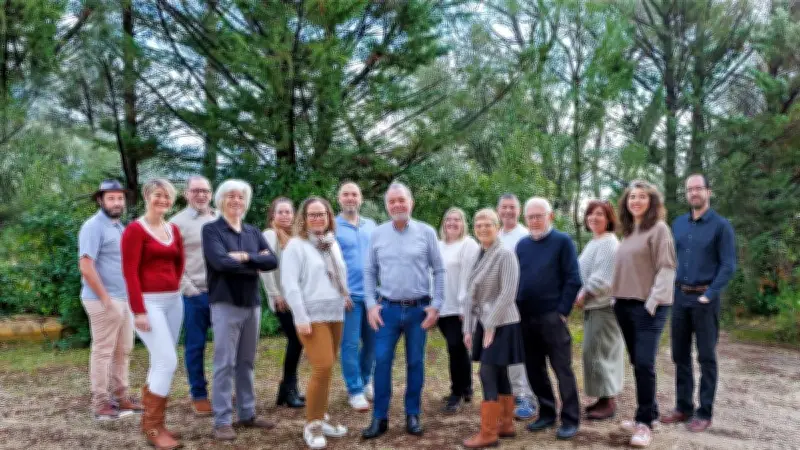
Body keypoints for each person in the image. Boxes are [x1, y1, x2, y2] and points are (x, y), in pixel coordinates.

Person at [361, 182, 446, 440]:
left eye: (402, 200)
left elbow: (439, 270)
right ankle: (380, 417)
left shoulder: (426, 232)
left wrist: (437, 305)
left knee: (415, 362)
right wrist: (370, 304)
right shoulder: (377, 234)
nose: (397, 205)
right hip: (386, 309)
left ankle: (412, 414)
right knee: (382, 362)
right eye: (392, 201)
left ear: (411, 202)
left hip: (418, 310)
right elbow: (369, 271)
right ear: (387, 205)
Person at [202, 179, 279, 441]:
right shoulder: (212, 231)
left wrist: (246, 257)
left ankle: (247, 413)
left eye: (241, 197)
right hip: (225, 303)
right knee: (224, 363)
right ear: (221, 200)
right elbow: (221, 263)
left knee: (246, 362)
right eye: (231, 196)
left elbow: (272, 261)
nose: (236, 201)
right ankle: (222, 420)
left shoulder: (252, 231)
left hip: (251, 304)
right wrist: (254, 262)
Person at [661, 174, 736, 433]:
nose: (694, 193)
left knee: (706, 357)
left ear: (708, 192)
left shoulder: (721, 226)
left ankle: (704, 412)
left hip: (705, 299)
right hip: (680, 297)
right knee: (680, 355)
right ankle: (683, 407)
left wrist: (710, 293)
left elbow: (728, 265)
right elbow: (670, 259)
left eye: (698, 188)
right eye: (689, 189)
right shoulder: (678, 224)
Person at [611, 179, 677, 448]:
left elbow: (667, 268)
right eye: (631, 197)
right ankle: (651, 412)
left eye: (641, 197)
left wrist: (652, 302)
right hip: (625, 305)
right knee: (638, 363)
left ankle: (645, 424)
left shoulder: (659, 229)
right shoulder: (629, 232)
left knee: (645, 362)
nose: (635, 201)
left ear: (652, 202)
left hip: (650, 306)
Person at [281, 197, 350, 449]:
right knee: (322, 366)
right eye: (312, 215)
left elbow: (340, 276)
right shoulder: (296, 246)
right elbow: (289, 284)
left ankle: (321, 416)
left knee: (328, 369)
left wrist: (345, 300)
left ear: (329, 217)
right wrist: (300, 316)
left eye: (322, 214)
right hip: (312, 315)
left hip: (335, 313)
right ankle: (312, 425)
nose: (318, 219)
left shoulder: (332, 244)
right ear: (304, 218)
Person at [121, 179, 185, 450]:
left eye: (168, 197)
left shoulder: (173, 229)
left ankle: (155, 422)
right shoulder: (135, 231)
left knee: (159, 361)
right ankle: (152, 427)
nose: (163, 201)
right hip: (149, 304)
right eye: (158, 195)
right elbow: (130, 273)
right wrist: (139, 311)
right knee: (167, 361)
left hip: (173, 301)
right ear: (147, 196)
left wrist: (174, 286)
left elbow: (179, 262)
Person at [517, 198, 582, 441]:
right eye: (530, 216)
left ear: (550, 216)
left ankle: (570, 419)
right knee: (534, 369)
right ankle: (546, 412)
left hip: (552, 317)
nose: (534, 220)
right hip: (526, 318)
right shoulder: (522, 245)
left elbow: (574, 278)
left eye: (539, 215)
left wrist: (562, 312)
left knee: (562, 369)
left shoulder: (562, 242)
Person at [78, 179, 142, 421]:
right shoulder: (93, 226)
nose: (117, 202)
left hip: (123, 299)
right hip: (102, 300)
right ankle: (101, 402)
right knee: (104, 351)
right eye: (111, 198)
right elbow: (85, 266)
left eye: (120, 198)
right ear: (100, 200)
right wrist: (106, 300)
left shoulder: (119, 227)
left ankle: (121, 396)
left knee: (123, 350)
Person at [461, 209, 524, 448]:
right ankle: (505, 425)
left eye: (488, 224)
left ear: (498, 227)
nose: (483, 227)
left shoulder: (505, 255)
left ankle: (488, 434)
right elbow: (470, 296)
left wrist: (490, 325)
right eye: (478, 224)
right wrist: (468, 328)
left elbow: (508, 293)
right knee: (499, 373)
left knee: (487, 373)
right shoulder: (480, 254)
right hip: (485, 323)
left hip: (503, 323)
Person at [169, 175, 217, 416]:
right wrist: (189, 288)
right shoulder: (176, 223)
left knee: (226, 346)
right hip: (195, 293)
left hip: (223, 293)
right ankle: (198, 393)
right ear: (186, 194)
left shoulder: (220, 218)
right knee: (195, 345)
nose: (201, 195)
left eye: (205, 191)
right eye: (196, 190)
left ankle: (222, 389)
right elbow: (173, 260)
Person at [575, 200, 624, 420]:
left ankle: (609, 401)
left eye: (600, 215)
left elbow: (603, 279)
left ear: (609, 219)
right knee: (593, 352)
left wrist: (582, 295)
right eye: (590, 214)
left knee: (601, 352)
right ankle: (602, 398)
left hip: (604, 307)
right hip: (593, 308)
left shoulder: (609, 243)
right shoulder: (595, 242)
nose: (594, 218)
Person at [335, 182, 377, 412]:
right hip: (348, 296)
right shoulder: (332, 226)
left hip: (372, 295)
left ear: (361, 199)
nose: (350, 198)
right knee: (350, 345)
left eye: (354, 194)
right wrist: (339, 292)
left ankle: (365, 379)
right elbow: (328, 264)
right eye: (346, 194)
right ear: (339, 199)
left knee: (372, 343)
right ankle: (355, 390)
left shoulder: (371, 225)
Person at [260, 197, 305, 409]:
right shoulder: (270, 235)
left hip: (297, 298)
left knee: (298, 342)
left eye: (289, 212)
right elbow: (265, 268)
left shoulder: (295, 237)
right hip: (282, 300)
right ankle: (288, 389)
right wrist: (275, 294)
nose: (285, 216)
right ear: (273, 216)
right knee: (296, 340)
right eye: (281, 212)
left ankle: (287, 389)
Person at [496, 193, 536, 420]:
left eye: (512, 207)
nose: (508, 211)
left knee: (521, 353)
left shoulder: (525, 236)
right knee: (505, 353)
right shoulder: (496, 236)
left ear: (518, 211)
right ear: (498, 210)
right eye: (504, 207)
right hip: (498, 305)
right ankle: (509, 394)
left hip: (519, 304)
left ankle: (526, 396)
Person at [438, 207, 480, 413]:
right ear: (443, 223)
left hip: (459, 306)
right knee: (458, 348)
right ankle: (466, 387)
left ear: (463, 224)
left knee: (456, 347)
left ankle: (456, 392)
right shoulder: (438, 246)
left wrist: (466, 305)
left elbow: (468, 276)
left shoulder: (468, 244)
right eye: (449, 219)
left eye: (457, 220)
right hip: (441, 307)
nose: (452, 223)